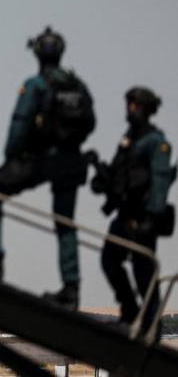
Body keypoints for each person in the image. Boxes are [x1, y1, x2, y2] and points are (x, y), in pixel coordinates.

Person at [0, 26, 96, 310]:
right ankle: (71, 290)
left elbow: (20, 123)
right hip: (70, 159)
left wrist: (12, 157)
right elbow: (90, 123)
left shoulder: (37, 85)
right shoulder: (78, 86)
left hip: (40, 159)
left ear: (37, 54)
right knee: (65, 223)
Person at [91, 87, 176, 334]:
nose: (130, 110)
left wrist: (152, 216)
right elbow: (119, 175)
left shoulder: (156, 142)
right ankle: (130, 312)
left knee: (144, 276)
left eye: (135, 106)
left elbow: (160, 181)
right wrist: (101, 177)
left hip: (142, 219)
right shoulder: (129, 140)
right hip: (125, 215)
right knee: (110, 260)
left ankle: (151, 330)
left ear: (146, 109)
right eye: (129, 105)